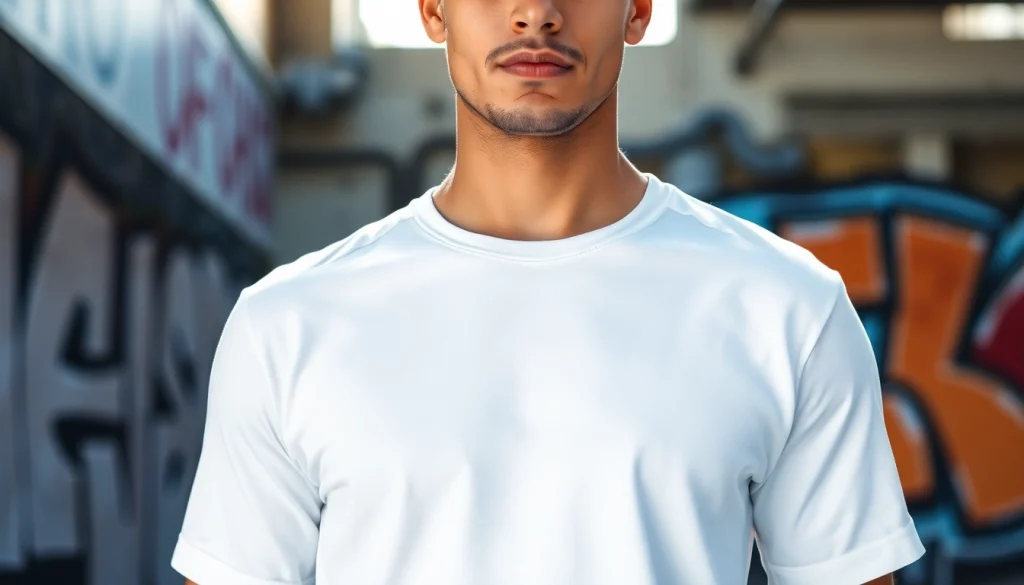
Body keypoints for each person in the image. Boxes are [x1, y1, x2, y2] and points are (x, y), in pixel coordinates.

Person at [171, 1, 926, 584]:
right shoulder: (287, 324)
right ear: (433, 9)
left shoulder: (789, 308)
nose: (536, 11)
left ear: (639, 9)